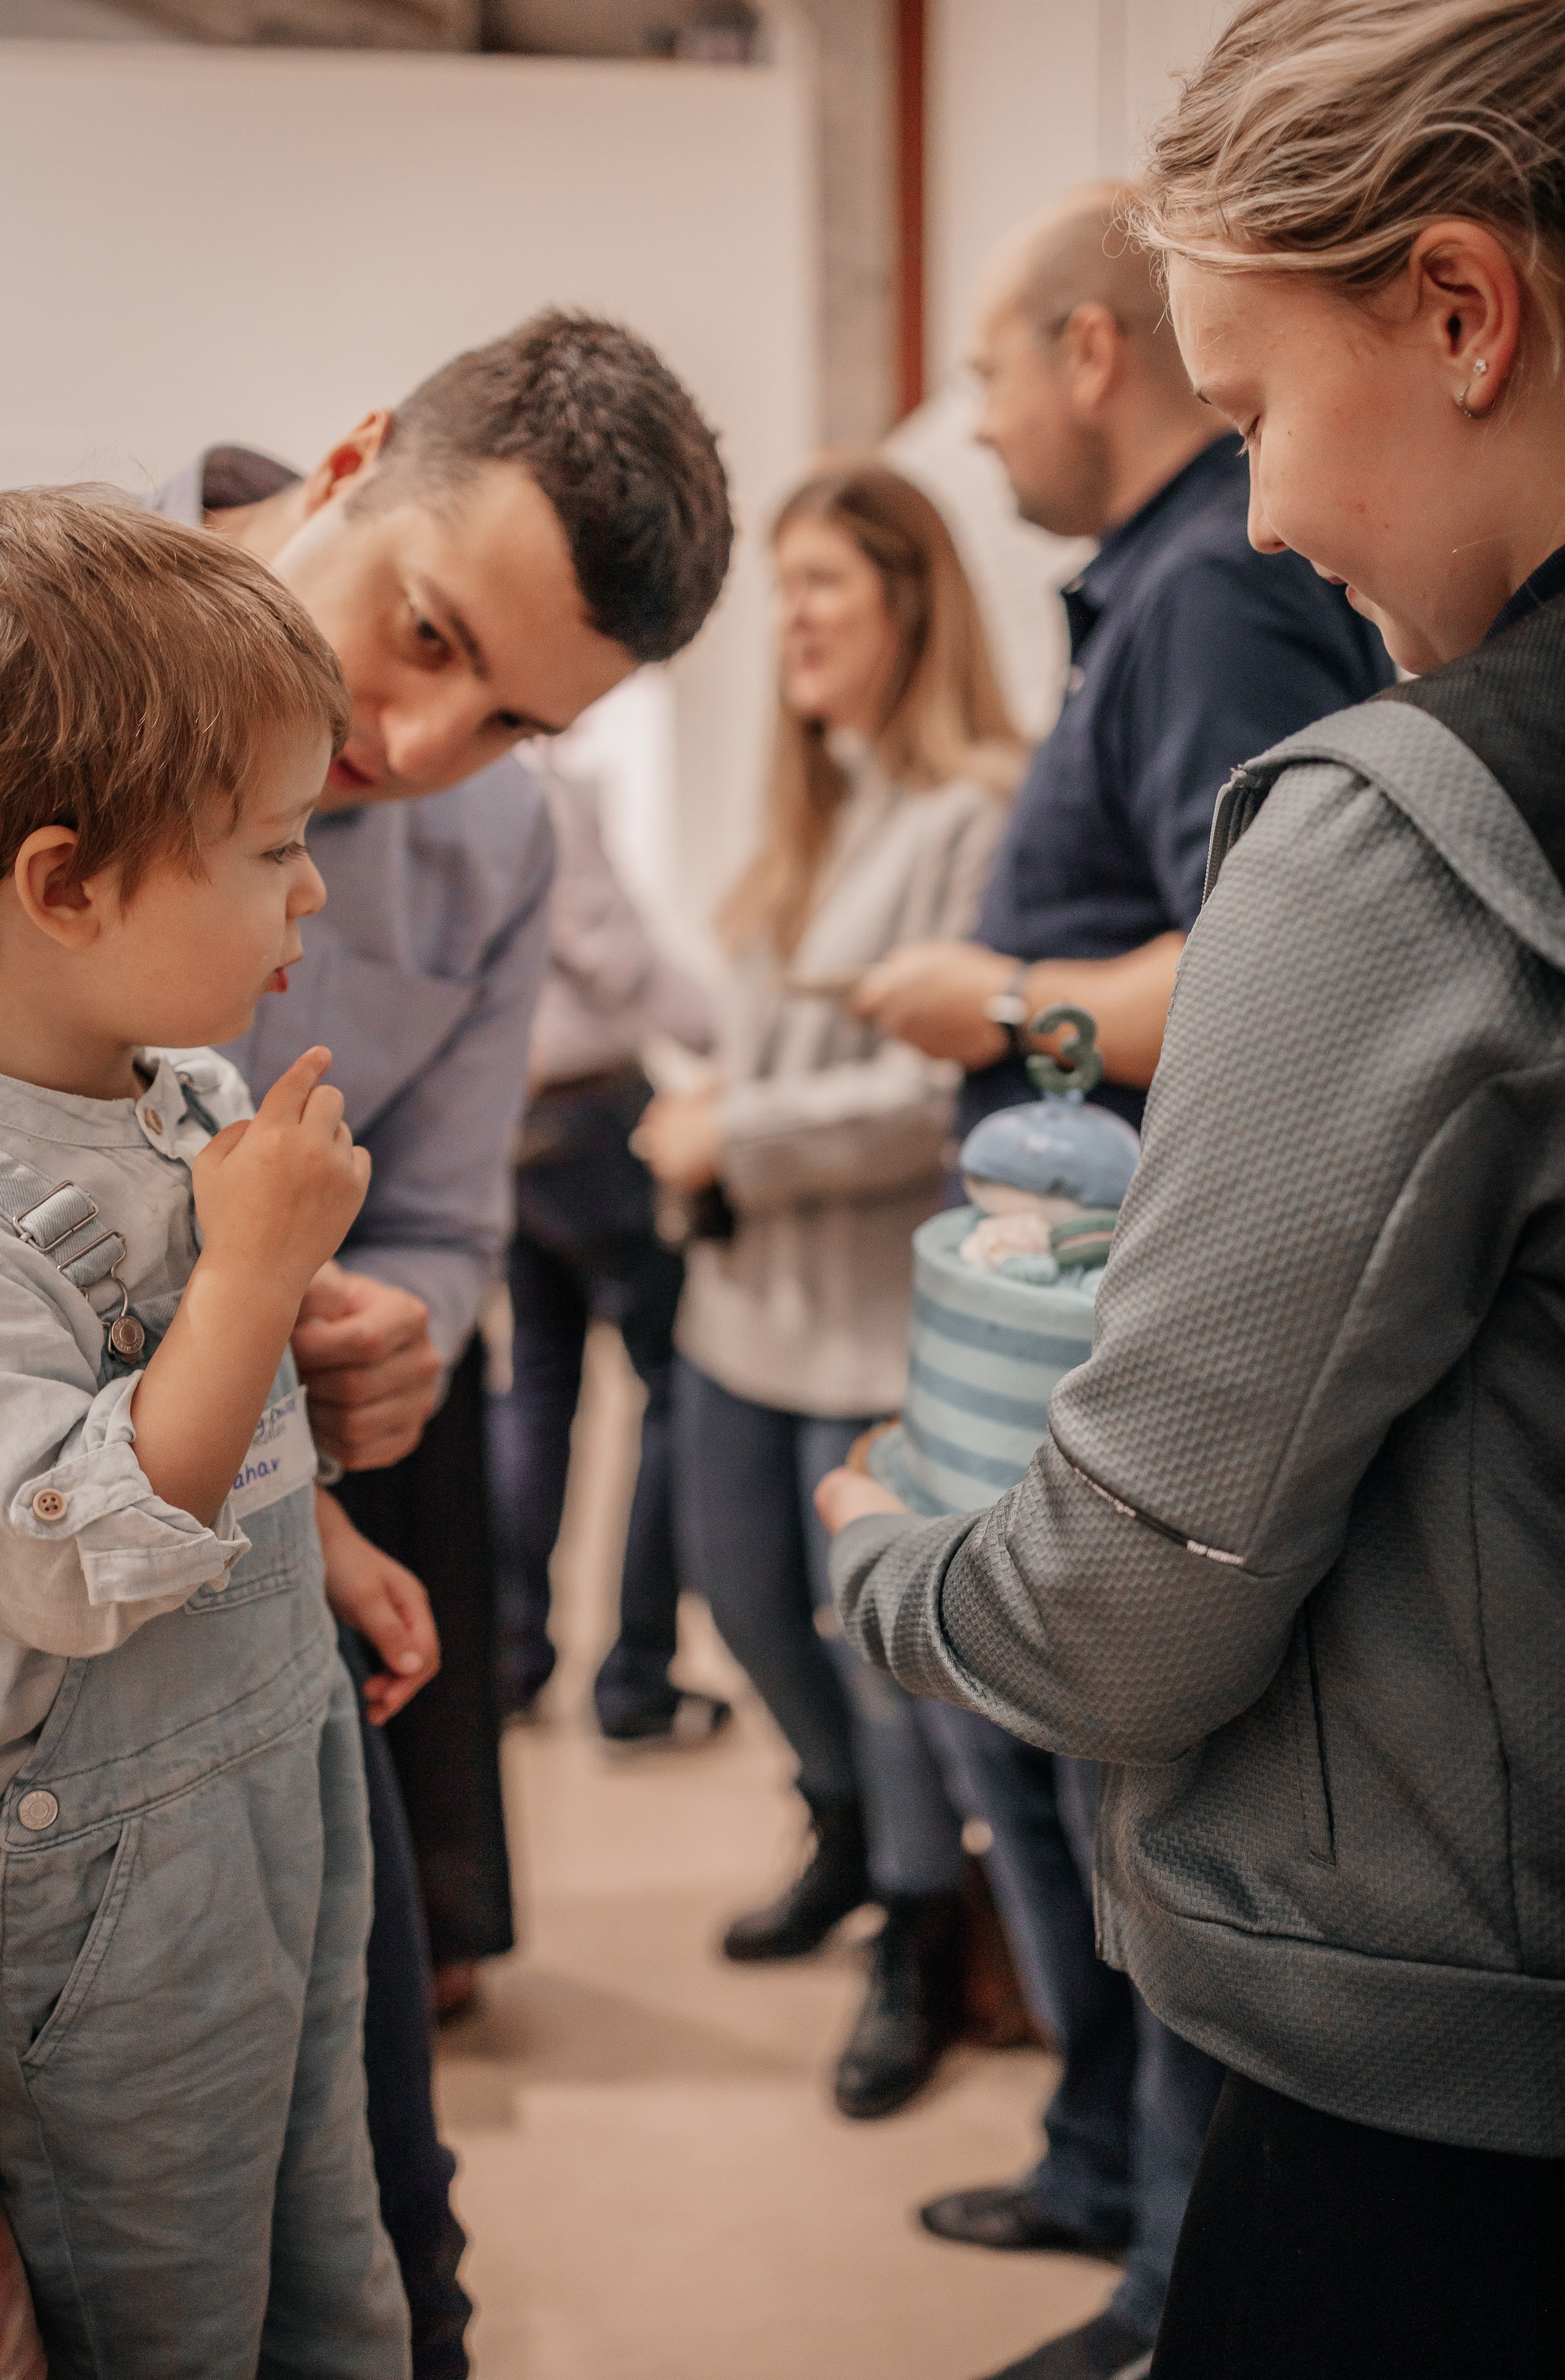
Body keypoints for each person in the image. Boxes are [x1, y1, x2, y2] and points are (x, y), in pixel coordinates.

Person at [821, 2, 1565, 2373]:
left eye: (1253, 417)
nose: (1259, 514)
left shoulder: (1400, 832)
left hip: (1458, 2112)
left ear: (1462, 311)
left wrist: (889, 1553)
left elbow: (1135, 1609)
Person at [832, 187, 1395, 2380]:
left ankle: (1164, 2281)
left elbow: (1257, 966)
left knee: (1118, 1796)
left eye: (986, 369)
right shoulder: (1160, 597)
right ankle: (1101, 2172)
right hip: (1077, 1286)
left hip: (1141, 1307)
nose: (976, 422)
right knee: (1061, 1796)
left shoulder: (1209, 599)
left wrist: (998, 997)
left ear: (1090, 352)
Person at [168, 312, 733, 2370]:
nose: (414, 746)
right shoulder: (43, 633)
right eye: (422, 635)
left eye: (511, 721)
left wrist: (402, 1325)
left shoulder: (494, 850)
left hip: (268, 1583)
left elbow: (441, 1220)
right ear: (353, 459)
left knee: (388, 2235)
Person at [0, 490, 407, 2373]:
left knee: (329, 2254)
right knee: (170, 2317)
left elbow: (226, 1432)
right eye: (272, 848)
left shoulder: (187, 1086)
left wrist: (321, 1531)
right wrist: (251, 1275)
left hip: (278, 1763)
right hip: (109, 1878)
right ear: (66, 885)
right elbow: (71, 1559)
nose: (310, 893)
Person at [637, 461, 1021, 2118]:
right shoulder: (812, 813)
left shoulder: (977, 811)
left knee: (882, 1664)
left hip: (874, 1332)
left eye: (821, 586)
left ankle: (922, 1934)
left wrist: (735, 1131)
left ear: (909, 605)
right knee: (739, 1604)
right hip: (739, 1316)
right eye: (781, 585)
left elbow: (939, 1095)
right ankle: (848, 1832)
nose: (786, 619)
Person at [487, 760, 728, 1742]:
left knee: (540, 1386)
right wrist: (741, 1041)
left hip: (513, 1128)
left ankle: (513, 1661)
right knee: (674, 1388)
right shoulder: (534, 792)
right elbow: (611, 956)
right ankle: (637, 1682)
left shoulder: (461, 794)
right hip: (594, 1121)